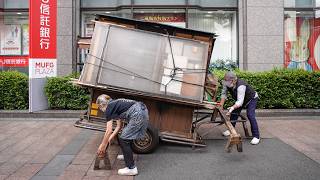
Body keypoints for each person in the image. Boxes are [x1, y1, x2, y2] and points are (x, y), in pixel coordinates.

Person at [96, 94, 149, 176]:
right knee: (125, 135)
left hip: (137, 113)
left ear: (102, 104)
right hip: (142, 109)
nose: (100, 109)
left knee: (123, 139)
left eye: (99, 107)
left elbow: (108, 130)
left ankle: (131, 168)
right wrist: (110, 138)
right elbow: (119, 126)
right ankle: (127, 155)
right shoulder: (115, 104)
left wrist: (102, 145)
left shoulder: (109, 108)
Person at [219, 71, 260, 145]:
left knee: (250, 115)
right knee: (234, 113)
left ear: (233, 80)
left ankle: (256, 136)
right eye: (225, 80)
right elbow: (223, 94)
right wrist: (221, 106)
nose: (225, 82)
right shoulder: (226, 83)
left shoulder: (241, 85)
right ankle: (231, 130)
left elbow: (240, 102)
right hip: (241, 100)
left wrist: (232, 108)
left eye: (227, 81)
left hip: (251, 99)